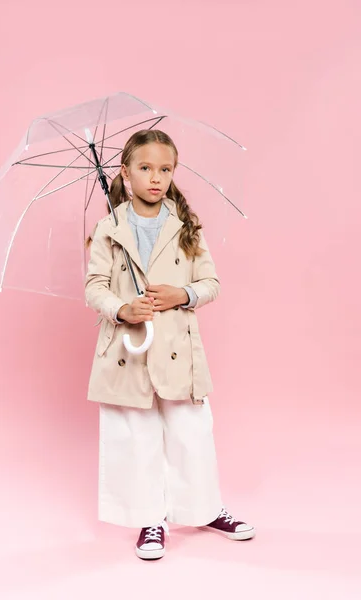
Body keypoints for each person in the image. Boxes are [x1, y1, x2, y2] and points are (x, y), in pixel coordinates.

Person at [85, 129, 255, 560]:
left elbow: (211, 283)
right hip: (129, 348)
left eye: (165, 169)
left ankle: (205, 508)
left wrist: (182, 295)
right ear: (124, 174)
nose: (155, 178)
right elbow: (94, 288)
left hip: (178, 346)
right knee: (135, 437)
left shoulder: (186, 224)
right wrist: (122, 309)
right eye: (145, 168)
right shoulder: (109, 228)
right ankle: (150, 519)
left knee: (191, 432)